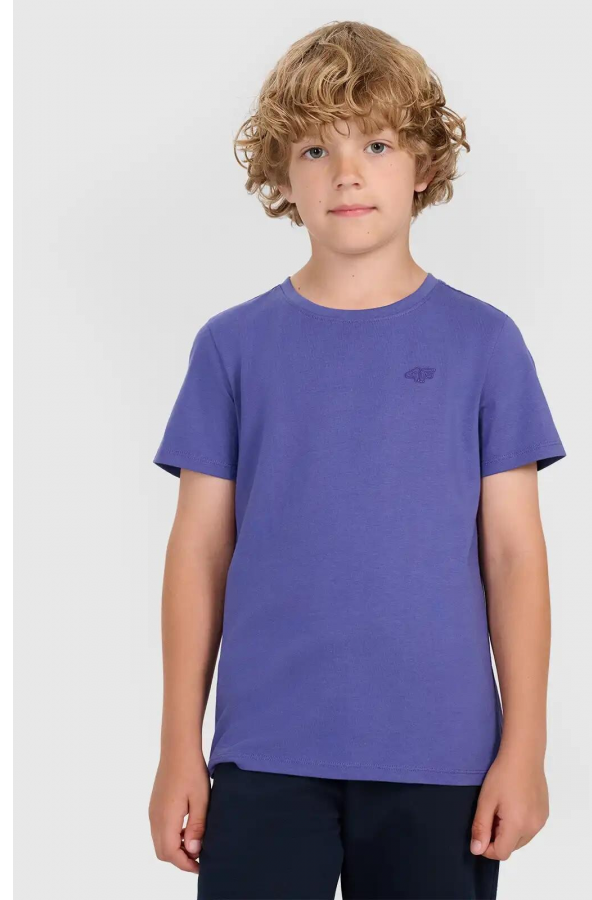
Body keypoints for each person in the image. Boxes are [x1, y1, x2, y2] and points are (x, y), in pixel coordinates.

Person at [148, 20, 567, 900]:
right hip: (265, 752)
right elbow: (199, 553)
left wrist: (525, 745)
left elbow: (514, 556)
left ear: (422, 165)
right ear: (279, 175)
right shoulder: (231, 348)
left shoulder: (485, 345)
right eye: (315, 149)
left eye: (375, 144)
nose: (346, 173)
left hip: (443, 756)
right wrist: (177, 745)